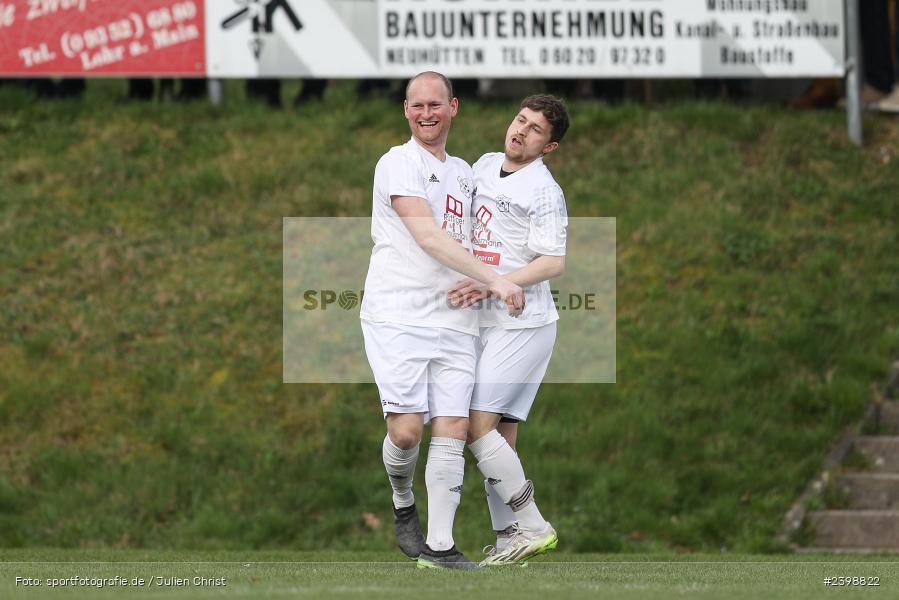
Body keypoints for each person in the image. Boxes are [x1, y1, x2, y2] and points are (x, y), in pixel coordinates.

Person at [360, 71, 525, 569]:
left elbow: (483, 242)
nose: (426, 113)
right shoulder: (397, 163)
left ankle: (439, 547)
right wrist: (496, 282)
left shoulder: (466, 173)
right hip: (398, 314)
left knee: (452, 426)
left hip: (456, 318)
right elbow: (429, 237)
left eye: (435, 104)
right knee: (408, 432)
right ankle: (402, 500)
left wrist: (491, 277)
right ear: (405, 110)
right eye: (416, 106)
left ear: (453, 107)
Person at [448, 94, 570, 566]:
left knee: (477, 427)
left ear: (549, 147)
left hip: (525, 324)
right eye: (520, 120)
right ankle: (509, 537)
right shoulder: (482, 165)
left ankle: (534, 524)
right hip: (488, 322)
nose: (521, 131)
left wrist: (493, 284)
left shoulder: (544, 190)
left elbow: (553, 262)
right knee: (501, 437)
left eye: (535, 130)